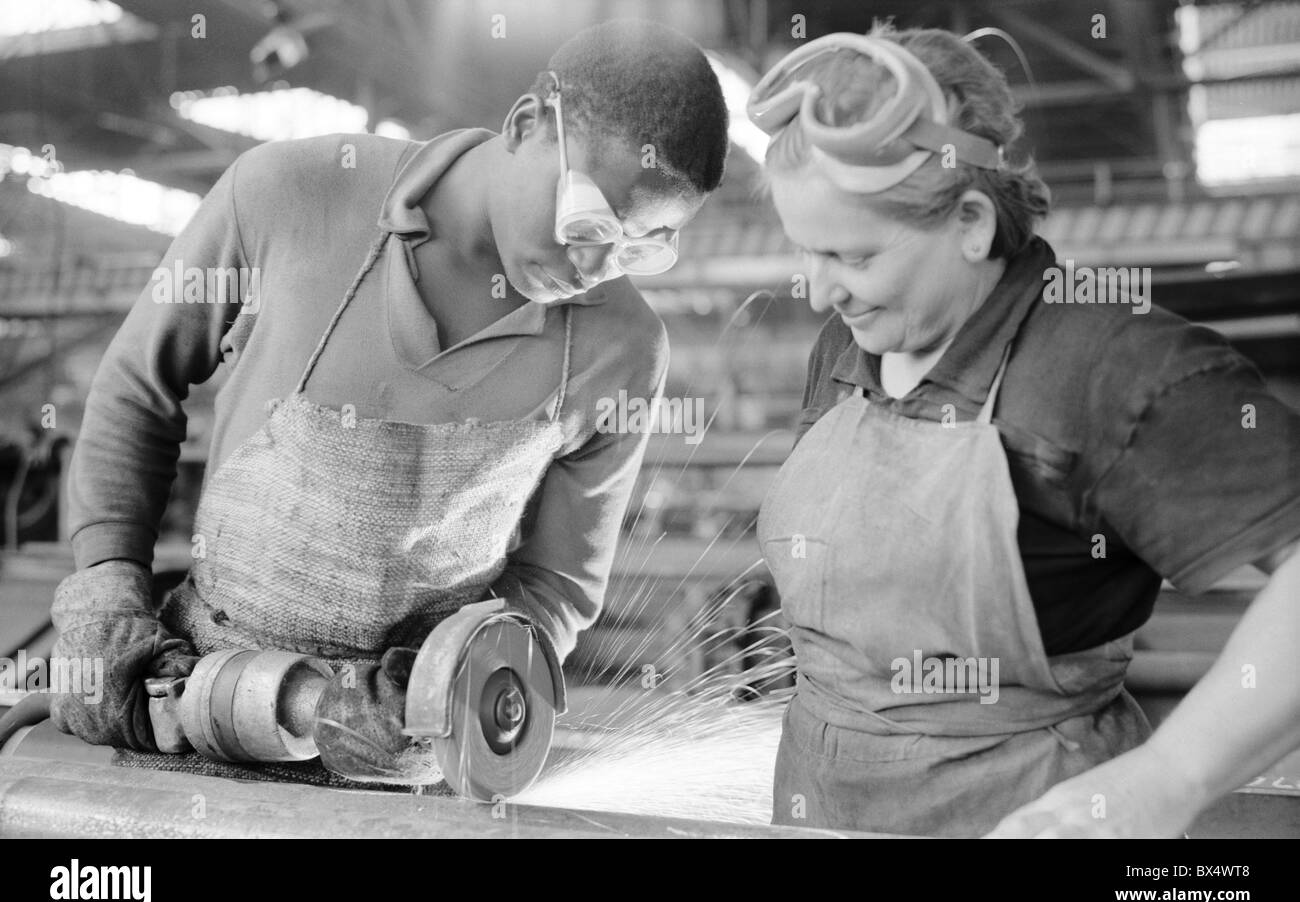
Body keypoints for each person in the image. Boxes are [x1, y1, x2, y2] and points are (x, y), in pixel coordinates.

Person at [48, 20, 729, 783]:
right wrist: (108, 586)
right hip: (188, 705)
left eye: (639, 247)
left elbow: (557, 584)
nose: (596, 267)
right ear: (530, 123)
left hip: (397, 759)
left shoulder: (623, 349)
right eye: (588, 221)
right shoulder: (289, 193)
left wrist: (441, 686)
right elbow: (137, 389)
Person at [749, 27, 1300, 837]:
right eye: (807, 252)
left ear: (971, 222)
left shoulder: (1109, 362)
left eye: (853, 255)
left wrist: (1169, 778)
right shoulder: (852, 338)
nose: (819, 289)